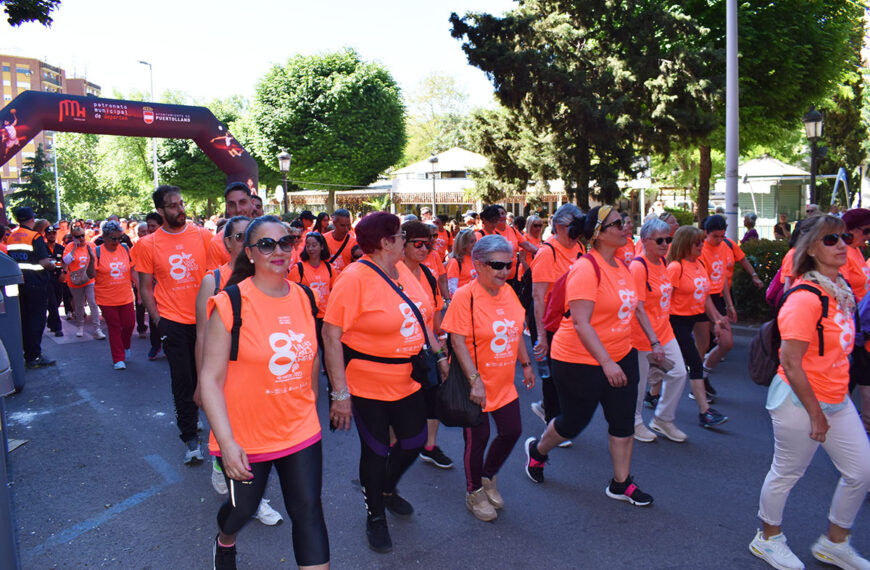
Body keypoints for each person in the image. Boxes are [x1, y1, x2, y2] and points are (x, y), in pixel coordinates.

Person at [199, 216, 330, 570]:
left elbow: (311, 360)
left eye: (284, 242)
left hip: (300, 430)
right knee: (242, 510)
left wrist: (312, 411)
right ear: (251, 253)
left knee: (308, 512)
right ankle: (225, 541)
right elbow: (210, 379)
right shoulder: (230, 304)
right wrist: (226, 444)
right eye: (266, 244)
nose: (278, 250)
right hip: (246, 436)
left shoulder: (304, 297)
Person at [323, 212, 448, 554]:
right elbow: (331, 336)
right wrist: (339, 393)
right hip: (367, 384)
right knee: (376, 451)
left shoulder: (404, 269)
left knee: (414, 440)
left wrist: (439, 356)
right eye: (399, 235)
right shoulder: (355, 278)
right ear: (385, 242)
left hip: (408, 378)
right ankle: (375, 514)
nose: (405, 240)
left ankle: (386, 490)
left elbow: (422, 317)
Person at [749, 214, 870, 570]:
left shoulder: (840, 292)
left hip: (836, 398)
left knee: (862, 471)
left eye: (844, 237)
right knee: (787, 473)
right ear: (811, 249)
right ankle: (768, 538)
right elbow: (791, 362)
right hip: (799, 401)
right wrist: (816, 413)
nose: (841, 245)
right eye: (830, 239)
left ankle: (835, 542)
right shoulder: (805, 298)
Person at [523, 206, 658, 507]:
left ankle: (621, 483)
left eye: (624, 222)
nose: (624, 227)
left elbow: (635, 307)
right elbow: (582, 323)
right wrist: (606, 363)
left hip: (621, 354)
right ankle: (539, 452)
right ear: (599, 233)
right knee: (573, 422)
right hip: (577, 360)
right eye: (617, 223)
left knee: (622, 421)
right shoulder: (585, 269)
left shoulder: (623, 266)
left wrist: (653, 341)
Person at [442, 235, 535, 521]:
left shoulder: (508, 292)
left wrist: (526, 363)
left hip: (504, 383)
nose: (504, 271)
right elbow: (457, 341)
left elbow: (515, 329)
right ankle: (473, 493)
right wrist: (475, 380)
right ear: (478, 265)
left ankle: (488, 476)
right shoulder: (465, 296)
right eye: (497, 265)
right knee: (478, 439)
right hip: (476, 386)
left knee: (512, 431)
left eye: (508, 265)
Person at [133, 185, 213, 465]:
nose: (181, 209)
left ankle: (214, 427)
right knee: (182, 380)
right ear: (160, 210)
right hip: (173, 322)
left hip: (207, 320)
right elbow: (144, 287)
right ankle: (190, 438)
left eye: (182, 203)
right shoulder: (147, 244)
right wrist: (159, 321)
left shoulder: (203, 235)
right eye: (174, 205)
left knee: (210, 377)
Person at [528, 204, 585, 439]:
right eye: (574, 229)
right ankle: (552, 422)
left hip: (571, 320)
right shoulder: (546, 252)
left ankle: (549, 409)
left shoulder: (580, 247)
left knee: (569, 373)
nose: (577, 234)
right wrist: (541, 335)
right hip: (548, 320)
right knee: (551, 375)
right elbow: (538, 296)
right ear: (560, 227)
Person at [630, 218, 688, 443]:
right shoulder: (638, 266)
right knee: (639, 384)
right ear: (645, 241)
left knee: (679, 373)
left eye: (669, 239)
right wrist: (653, 341)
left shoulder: (663, 262)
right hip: (642, 336)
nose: (665, 244)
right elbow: (638, 307)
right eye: (660, 240)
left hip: (664, 331)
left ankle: (663, 418)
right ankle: (634, 422)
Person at [400, 221, 453, 470]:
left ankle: (429, 447)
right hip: (399, 352)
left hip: (427, 348)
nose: (424, 249)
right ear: (403, 243)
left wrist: (440, 340)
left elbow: (436, 310)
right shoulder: (392, 273)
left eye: (428, 244)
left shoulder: (429, 274)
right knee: (401, 405)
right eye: (418, 244)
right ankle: (393, 449)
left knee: (434, 398)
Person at [666, 226, 728, 428]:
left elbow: (705, 296)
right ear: (685, 244)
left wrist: (716, 320)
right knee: (693, 362)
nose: (702, 245)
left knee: (671, 366)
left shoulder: (699, 264)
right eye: (697, 242)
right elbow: (664, 300)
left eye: (702, 241)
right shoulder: (676, 267)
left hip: (692, 319)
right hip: (675, 321)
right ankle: (705, 412)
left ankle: (653, 393)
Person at [7, 207, 55, 375]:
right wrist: (53, 265)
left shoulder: (11, 235)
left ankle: (28, 353)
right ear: (32, 219)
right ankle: (34, 356)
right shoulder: (34, 237)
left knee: (25, 319)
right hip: (36, 283)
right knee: (37, 319)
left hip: (19, 283)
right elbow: (43, 263)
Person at [696, 215, 737, 397]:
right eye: (715, 237)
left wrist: (729, 305)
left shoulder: (724, 247)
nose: (720, 240)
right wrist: (715, 316)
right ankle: (698, 386)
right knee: (702, 344)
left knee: (727, 342)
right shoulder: (701, 250)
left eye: (722, 236)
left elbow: (722, 280)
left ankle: (703, 374)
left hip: (718, 298)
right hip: (702, 299)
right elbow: (703, 286)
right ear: (706, 233)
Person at [93, 221, 137, 370]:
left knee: (129, 324)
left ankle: (125, 346)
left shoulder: (124, 248)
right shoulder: (97, 252)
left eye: (120, 238)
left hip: (125, 296)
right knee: (114, 327)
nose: (117, 242)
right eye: (114, 238)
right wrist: (91, 261)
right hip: (106, 298)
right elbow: (89, 275)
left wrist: (139, 289)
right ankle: (118, 358)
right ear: (104, 237)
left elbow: (132, 270)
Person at [63, 226, 105, 340]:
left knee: (92, 302)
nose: (81, 238)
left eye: (82, 235)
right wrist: (74, 248)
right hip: (75, 281)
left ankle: (97, 329)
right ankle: (80, 326)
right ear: (73, 237)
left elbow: (97, 259)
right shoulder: (69, 247)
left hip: (89, 278)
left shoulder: (91, 245)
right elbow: (66, 261)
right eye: (78, 236)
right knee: (79, 304)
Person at [207, 182, 254, 269]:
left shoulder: (267, 233)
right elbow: (214, 280)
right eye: (232, 205)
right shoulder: (217, 243)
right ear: (227, 208)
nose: (238, 209)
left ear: (252, 203)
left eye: (242, 202)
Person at [322, 209, 360, 274]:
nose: (346, 229)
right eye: (342, 225)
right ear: (334, 223)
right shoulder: (323, 239)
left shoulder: (354, 242)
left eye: (348, 225)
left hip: (346, 280)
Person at [43, 224, 65, 337]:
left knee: (57, 301)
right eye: (49, 234)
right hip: (47, 277)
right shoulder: (42, 248)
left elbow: (64, 262)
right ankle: (57, 327)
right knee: (51, 302)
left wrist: (63, 272)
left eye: (53, 233)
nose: (52, 235)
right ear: (46, 235)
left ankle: (51, 321)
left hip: (58, 277)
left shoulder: (60, 248)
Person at [446, 229, 478, 296]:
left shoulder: (476, 259)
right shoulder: (455, 262)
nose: (475, 244)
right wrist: (465, 299)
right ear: (463, 244)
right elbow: (452, 288)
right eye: (471, 242)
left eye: (475, 240)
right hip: (462, 301)